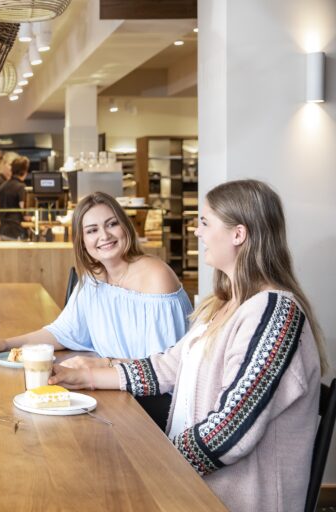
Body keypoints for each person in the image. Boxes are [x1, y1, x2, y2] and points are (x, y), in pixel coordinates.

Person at [49, 180, 325, 512]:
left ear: (238, 234)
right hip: (195, 486)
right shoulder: (227, 304)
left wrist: (153, 463)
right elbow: (168, 366)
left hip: (229, 499)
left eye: (205, 222)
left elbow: (229, 431)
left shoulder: (274, 315)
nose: (196, 232)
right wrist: (87, 377)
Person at [0, 190, 192, 360]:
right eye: (92, 230)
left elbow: (164, 370)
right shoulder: (93, 279)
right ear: (82, 242)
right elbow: (63, 333)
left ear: (126, 227)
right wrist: (6, 344)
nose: (104, 236)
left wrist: (97, 368)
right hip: (117, 389)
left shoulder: (156, 276)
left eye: (112, 224)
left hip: (155, 401)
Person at [0, 156, 30, 240]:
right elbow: (24, 210)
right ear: (24, 171)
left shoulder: (2, 186)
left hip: (3, 231)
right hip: (17, 231)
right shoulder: (21, 187)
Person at [0, 152, 19, 235]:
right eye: (10, 164)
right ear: (4, 164)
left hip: (8, 227)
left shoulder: (12, 182)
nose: (12, 168)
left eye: (14, 166)